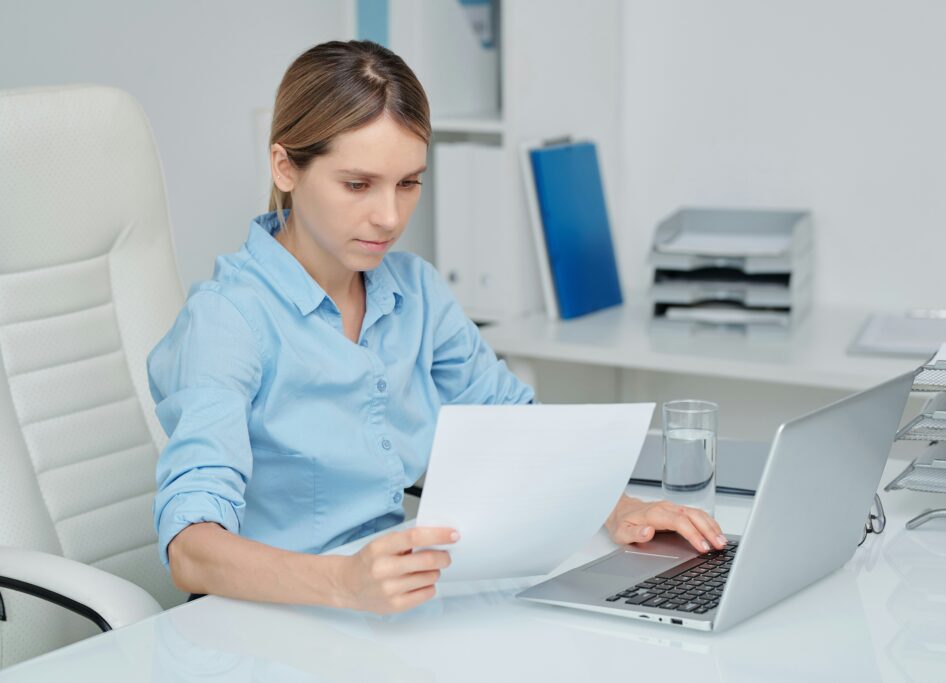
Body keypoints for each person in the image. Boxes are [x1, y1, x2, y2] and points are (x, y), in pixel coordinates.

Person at [149, 40, 727, 615]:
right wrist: (342, 583)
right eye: (357, 185)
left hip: (386, 602)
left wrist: (619, 507)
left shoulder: (414, 290)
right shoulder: (229, 319)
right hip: (271, 618)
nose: (390, 217)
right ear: (285, 166)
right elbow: (192, 551)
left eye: (408, 183)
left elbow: (511, 419)